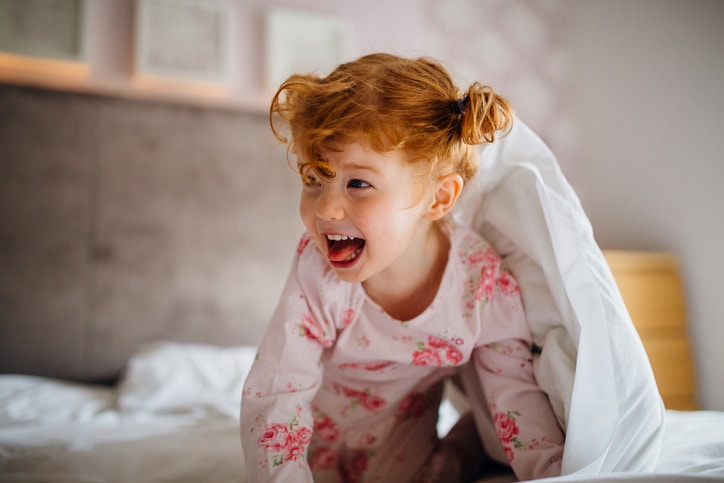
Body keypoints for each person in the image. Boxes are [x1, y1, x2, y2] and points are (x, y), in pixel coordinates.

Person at [241, 53, 564, 482]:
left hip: (406, 447)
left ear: (438, 199)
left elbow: (515, 399)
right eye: (314, 177)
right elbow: (278, 392)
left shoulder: (481, 286)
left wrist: (556, 474)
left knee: (451, 468)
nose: (327, 207)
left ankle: (465, 442)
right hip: (314, 440)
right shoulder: (318, 273)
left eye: (358, 183)